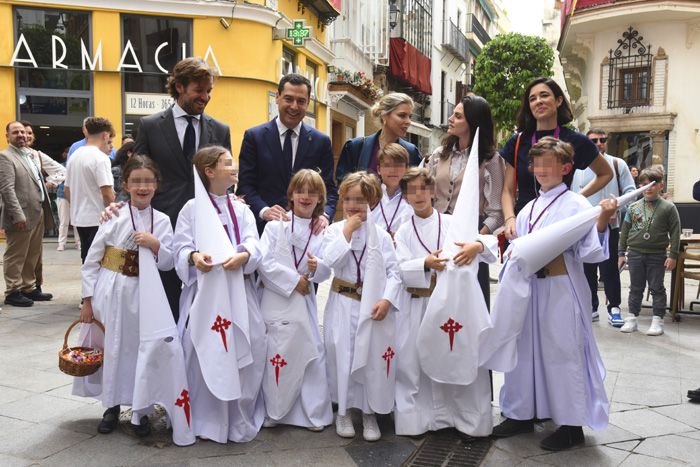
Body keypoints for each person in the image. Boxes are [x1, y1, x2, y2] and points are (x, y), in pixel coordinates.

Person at [492, 137, 617, 451]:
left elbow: (590, 252)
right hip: (529, 288)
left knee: (563, 353)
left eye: (550, 163)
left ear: (566, 167)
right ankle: (522, 412)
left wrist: (602, 219)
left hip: (560, 287)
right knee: (523, 350)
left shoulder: (576, 204)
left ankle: (571, 423)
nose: (542, 169)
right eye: (537, 164)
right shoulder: (528, 209)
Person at [393, 167, 496, 437]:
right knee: (416, 361)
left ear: (432, 192)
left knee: (456, 356)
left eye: (423, 189)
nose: (418, 195)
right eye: (411, 191)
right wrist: (424, 263)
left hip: (452, 307)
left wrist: (479, 246)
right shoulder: (403, 231)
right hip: (419, 305)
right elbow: (399, 268)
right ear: (404, 197)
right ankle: (421, 418)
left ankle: (463, 417)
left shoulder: (451, 223)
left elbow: (485, 242)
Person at [75, 155, 174, 437]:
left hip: (145, 293)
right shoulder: (114, 214)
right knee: (113, 345)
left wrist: (156, 245)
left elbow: (169, 262)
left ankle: (141, 409)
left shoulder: (163, 220)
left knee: (139, 347)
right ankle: (111, 405)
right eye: (136, 181)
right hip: (113, 289)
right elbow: (93, 259)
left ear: (157, 185)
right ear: (125, 185)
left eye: (148, 181)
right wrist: (87, 300)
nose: (142, 187)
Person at [174, 146, 265, 443]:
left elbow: (254, 241)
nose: (234, 166)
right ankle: (207, 419)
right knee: (205, 353)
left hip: (239, 290)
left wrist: (246, 255)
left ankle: (238, 417)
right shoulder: (191, 209)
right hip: (207, 295)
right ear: (209, 171)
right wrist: (193, 257)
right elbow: (181, 245)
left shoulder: (241, 209)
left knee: (247, 346)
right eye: (228, 163)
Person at [134, 57, 231, 319]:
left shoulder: (220, 130)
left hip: (206, 230)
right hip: (162, 228)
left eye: (209, 91)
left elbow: (225, 180)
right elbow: (138, 174)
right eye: (199, 90)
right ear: (179, 87)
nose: (206, 97)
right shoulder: (150, 126)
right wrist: (124, 212)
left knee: (203, 308)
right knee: (165, 304)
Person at [318, 171, 401, 442]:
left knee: (369, 358)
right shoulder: (334, 230)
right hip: (343, 301)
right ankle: (342, 410)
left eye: (361, 200)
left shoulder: (382, 236)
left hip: (372, 305)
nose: (354, 205)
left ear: (372, 201)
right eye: (349, 199)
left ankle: (369, 412)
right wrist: (347, 231)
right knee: (342, 354)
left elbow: (394, 273)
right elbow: (328, 260)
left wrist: (387, 300)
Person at [258, 169, 333, 431]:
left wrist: (315, 269)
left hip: (305, 300)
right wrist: (294, 281)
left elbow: (326, 269)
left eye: (313, 192)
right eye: (301, 191)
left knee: (310, 352)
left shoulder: (323, 230)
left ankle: (310, 412)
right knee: (277, 354)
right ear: (291, 194)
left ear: (320, 198)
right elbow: (264, 263)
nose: (306, 197)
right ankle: (275, 410)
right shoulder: (274, 226)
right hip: (278, 298)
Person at [501, 77, 613, 240]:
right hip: (523, 226)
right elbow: (507, 190)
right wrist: (510, 219)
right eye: (532, 99)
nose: (538, 101)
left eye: (544, 95)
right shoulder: (517, 141)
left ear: (559, 100)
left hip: (559, 225)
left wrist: (577, 197)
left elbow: (606, 173)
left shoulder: (577, 140)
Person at [427, 94, 504, 307]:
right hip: (438, 235)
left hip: (469, 239)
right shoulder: (438, 154)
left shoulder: (491, 160)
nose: (451, 118)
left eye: (458, 116)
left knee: (470, 305)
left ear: (473, 122)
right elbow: (425, 194)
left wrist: (477, 240)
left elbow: (497, 212)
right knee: (435, 302)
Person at [237, 73, 338, 234]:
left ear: (308, 103)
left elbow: (329, 190)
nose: (294, 106)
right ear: (277, 97)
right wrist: (264, 211)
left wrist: (325, 216)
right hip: (264, 231)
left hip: (307, 234)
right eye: (289, 99)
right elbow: (245, 186)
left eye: (301, 101)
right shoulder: (254, 137)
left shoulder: (321, 142)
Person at [573, 128, 636, 325]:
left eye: (602, 139)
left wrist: (617, 208)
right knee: (587, 269)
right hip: (584, 226)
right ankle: (591, 306)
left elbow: (631, 192)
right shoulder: (577, 167)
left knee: (609, 270)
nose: (599, 143)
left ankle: (614, 307)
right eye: (593, 140)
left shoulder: (618, 164)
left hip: (610, 225)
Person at [618, 167, 680, 336]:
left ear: (661, 185)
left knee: (657, 287)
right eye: (644, 184)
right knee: (635, 287)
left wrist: (673, 255)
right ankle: (632, 318)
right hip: (635, 253)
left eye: (653, 184)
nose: (649, 188)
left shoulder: (669, 207)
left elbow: (675, 232)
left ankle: (657, 320)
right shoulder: (633, 207)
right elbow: (625, 230)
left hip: (657, 254)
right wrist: (621, 253)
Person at [0, 122, 55, 307]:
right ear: (8, 136)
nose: (21, 135)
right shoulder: (5, 157)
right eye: (16, 132)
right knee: (16, 255)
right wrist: (17, 215)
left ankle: (28, 288)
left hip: (36, 211)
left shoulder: (29, 155)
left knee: (33, 254)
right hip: (20, 215)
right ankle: (12, 291)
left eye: (23, 132)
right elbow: (7, 189)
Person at [335, 92, 421, 183]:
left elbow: (416, 190)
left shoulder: (411, 152)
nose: (408, 122)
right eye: (402, 115)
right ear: (384, 116)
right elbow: (343, 187)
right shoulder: (355, 147)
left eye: (410, 116)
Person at [22, 120, 66, 295]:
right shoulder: (8, 156)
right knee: (20, 252)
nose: (26, 136)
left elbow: (62, 171)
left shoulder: (37, 155)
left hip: (38, 208)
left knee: (36, 251)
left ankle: (34, 285)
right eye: (22, 132)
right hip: (21, 210)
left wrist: (48, 184)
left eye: (29, 133)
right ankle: (19, 288)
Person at [64, 117, 115, 263]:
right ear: (105, 135)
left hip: (79, 218)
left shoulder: (74, 155)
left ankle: (88, 286)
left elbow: (67, 191)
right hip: (98, 218)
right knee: (101, 262)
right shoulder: (101, 157)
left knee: (86, 260)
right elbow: (107, 193)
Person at [370, 143, 414, 238]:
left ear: (407, 169)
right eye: (387, 165)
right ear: (379, 169)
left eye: (398, 165)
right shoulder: (370, 195)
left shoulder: (414, 198)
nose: (393, 170)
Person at [56, 147, 80, 251]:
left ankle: (79, 243)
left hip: (77, 196)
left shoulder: (79, 167)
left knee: (77, 222)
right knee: (64, 221)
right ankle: (61, 243)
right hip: (62, 196)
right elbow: (55, 179)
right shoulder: (60, 166)